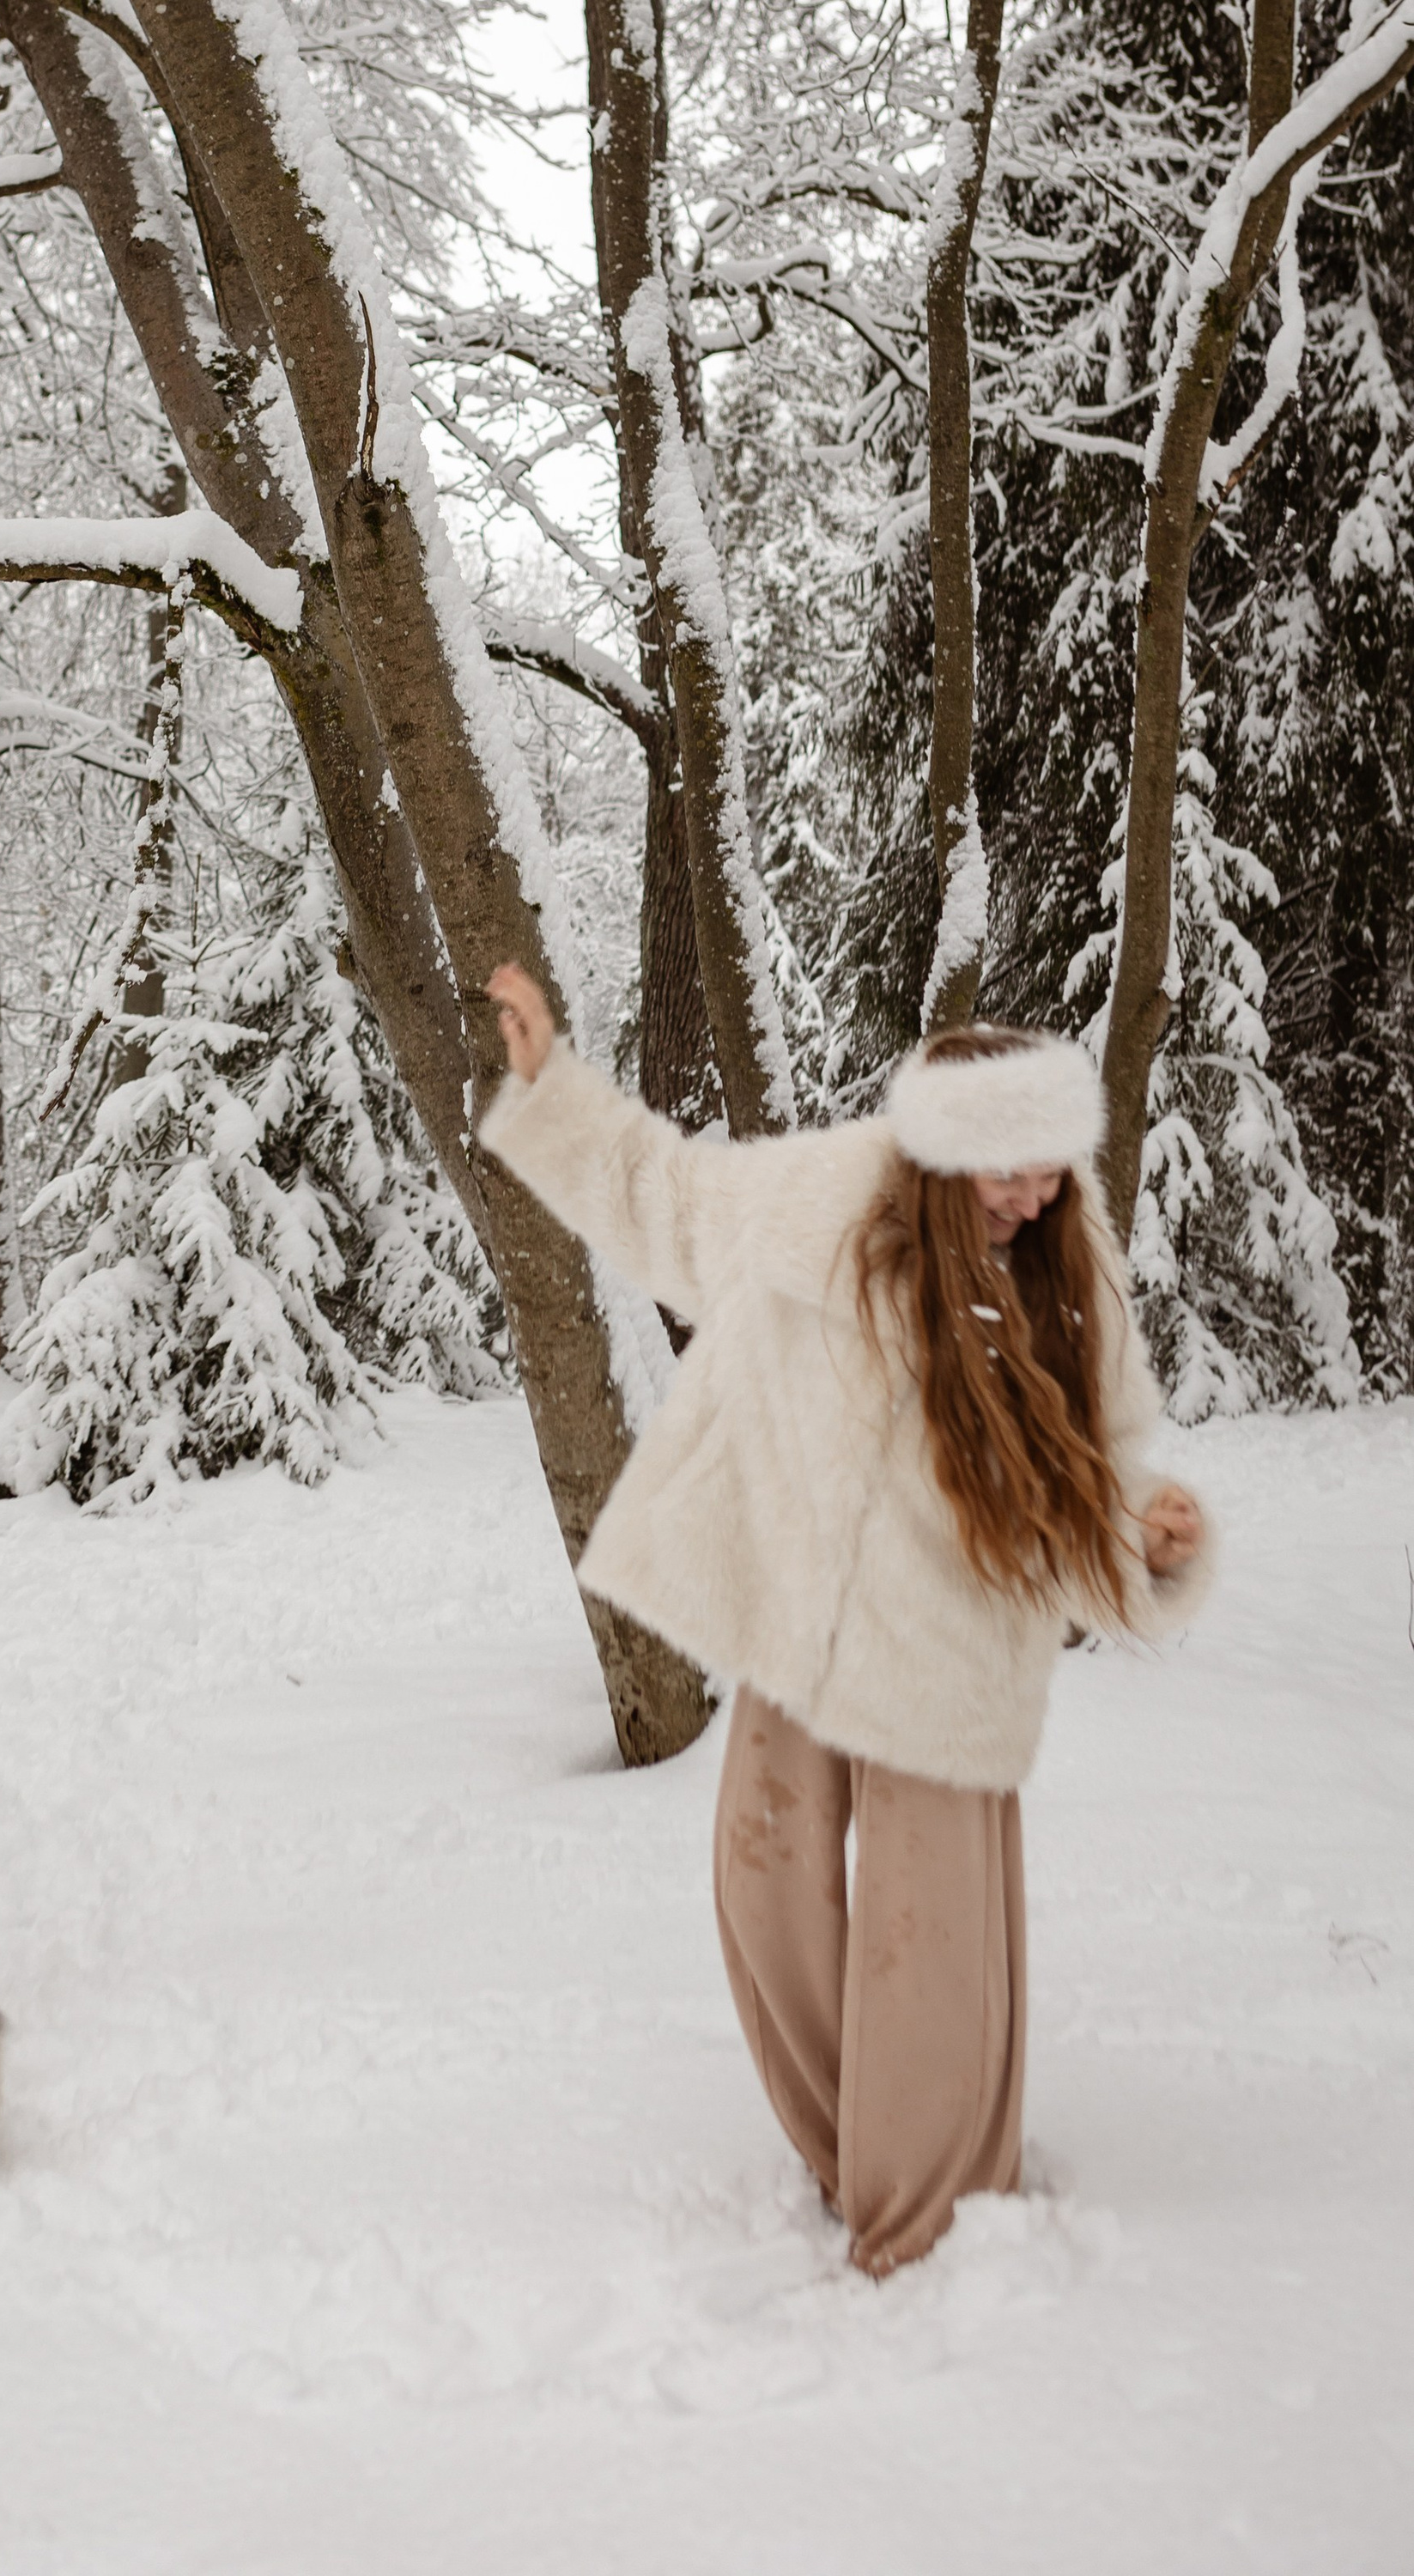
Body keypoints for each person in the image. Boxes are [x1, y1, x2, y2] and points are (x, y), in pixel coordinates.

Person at [480, 969, 1210, 2275]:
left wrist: (1149, 1537)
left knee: (928, 1946)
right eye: (1008, 1172)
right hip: (805, 1621)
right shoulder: (822, 1202)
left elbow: (1103, 1458)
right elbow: (663, 1194)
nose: (1035, 1197)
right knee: (763, 1894)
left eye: (1050, 1170)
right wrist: (552, 1091)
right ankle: (854, 2150)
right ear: (940, 1157)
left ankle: (924, 2226)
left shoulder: (1063, 1266)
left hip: (949, 1644)